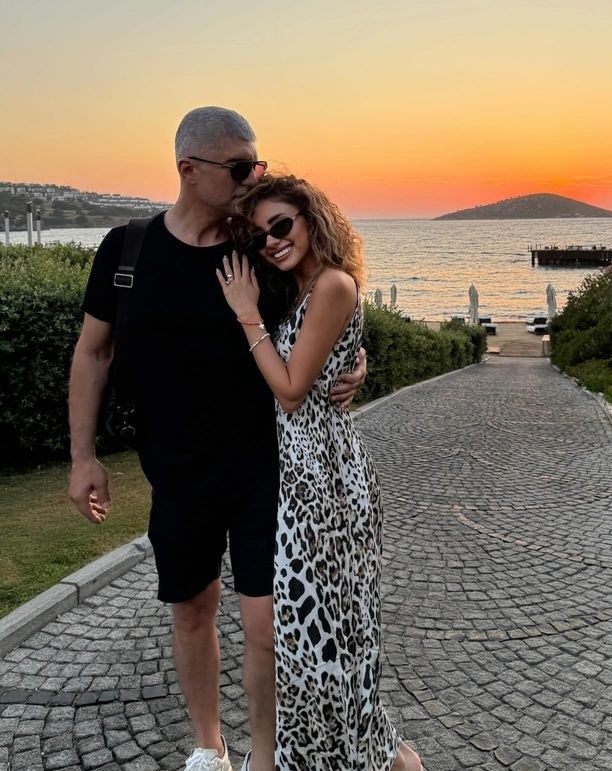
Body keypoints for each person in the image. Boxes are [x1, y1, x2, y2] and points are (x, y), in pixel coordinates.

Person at [67, 107, 364, 771]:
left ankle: (265, 756)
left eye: (257, 164)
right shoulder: (127, 250)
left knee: (266, 626)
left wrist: (355, 362)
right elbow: (93, 352)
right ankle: (209, 747)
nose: (253, 177)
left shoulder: (259, 250)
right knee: (191, 609)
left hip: (266, 470)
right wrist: (83, 456)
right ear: (189, 169)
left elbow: (325, 306)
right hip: (175, 472)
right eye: (240, 167)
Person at [218, 175, 422, 771]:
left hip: (324, 480)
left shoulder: (331, 284)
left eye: (282, 225)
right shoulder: (301, 290)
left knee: (328, 634)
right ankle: (369, 756)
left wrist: (245, 313)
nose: (272, 241)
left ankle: (383, 758)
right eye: (259, 236)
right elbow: (316, 367)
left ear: (312, 219)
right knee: (317, 636)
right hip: (302, 477)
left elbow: (289, 391)